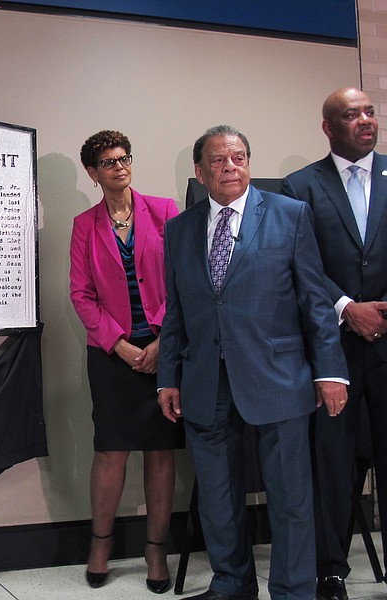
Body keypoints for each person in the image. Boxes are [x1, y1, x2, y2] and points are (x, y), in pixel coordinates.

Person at [157, 125, 348, 600]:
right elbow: (176, 311)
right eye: (219, 160)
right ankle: (232, 586)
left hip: (279, 379)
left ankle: (292, 591)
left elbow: (315, 302)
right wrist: (168, 379)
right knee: (219, 502)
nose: (231, 167)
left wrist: (329, 371)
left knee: (290, 500)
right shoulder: (180, 229)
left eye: (239, 157)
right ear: (200, 172)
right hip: (204, 381)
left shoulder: (290, 215)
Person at [281, 87, 387, 600]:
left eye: (369, 112)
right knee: (334, 462)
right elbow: (299, 266)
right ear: (328, 127)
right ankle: (330, 571)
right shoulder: (301, 187)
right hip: (332, 351)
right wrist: (347, 307)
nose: (365, 121)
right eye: (352, 115)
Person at [70, 130, 183, 592]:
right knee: (110, 451)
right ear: (94, 173)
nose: (120, 166)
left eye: (124, 158)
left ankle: (156, 552)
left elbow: (182, 282)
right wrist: (119, 344)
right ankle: (100, 544)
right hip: (111, 356)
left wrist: (160, 340)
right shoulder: (85, 225)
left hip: (163, 349)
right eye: (109, 162)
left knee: (160, 453)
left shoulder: (165, 212)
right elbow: (81, 295)